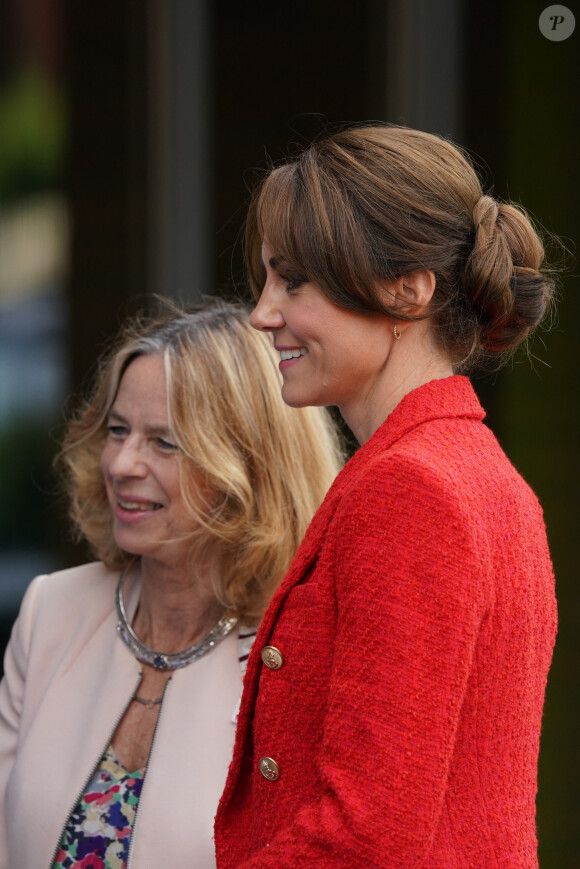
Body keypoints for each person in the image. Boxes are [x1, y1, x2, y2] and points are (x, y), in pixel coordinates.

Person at [214, 126, 558, 867]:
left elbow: (367, 830)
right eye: (268, 279)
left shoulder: (411, 486)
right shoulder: (476, 468)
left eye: (294, 280)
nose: (262, 313)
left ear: (407, 289)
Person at [0, 298, 344, 869]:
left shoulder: (300, 654)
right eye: (117, 430)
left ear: (247, 466)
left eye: (164, 441)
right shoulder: (50, 611)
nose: (121, 463)